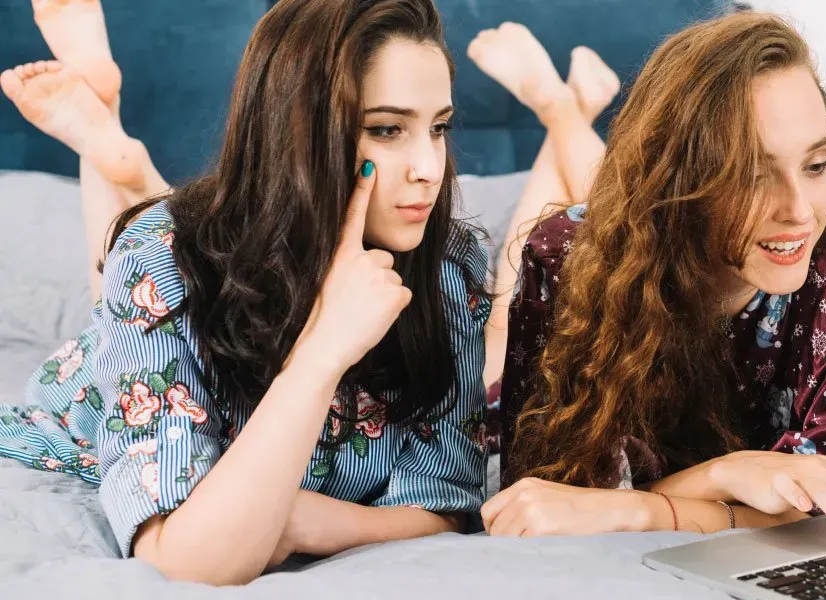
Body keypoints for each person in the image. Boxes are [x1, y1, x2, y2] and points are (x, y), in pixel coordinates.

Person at [0, 0, 490, 585]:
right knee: (155, 255)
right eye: (386, 129)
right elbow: (184, 562)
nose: (429, 167)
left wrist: (308, 523)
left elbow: (446, 508)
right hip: (77, 427)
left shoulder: (449, 267)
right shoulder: (160, 254)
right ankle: (111, 153)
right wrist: (323, 349)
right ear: (297, 130)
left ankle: (117, 151)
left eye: (438, 128)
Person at [472, 13, 826, 539]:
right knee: (504, 316)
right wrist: (729, 473)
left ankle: (562, 109)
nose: (800, 211)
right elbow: (544, 501)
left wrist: (647, 511)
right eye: (752, 173)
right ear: (680, 179)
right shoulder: (562, 258)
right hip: (586, 277)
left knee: (600, 219)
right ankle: (557, 106)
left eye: (816, 165)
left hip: (630, 238)